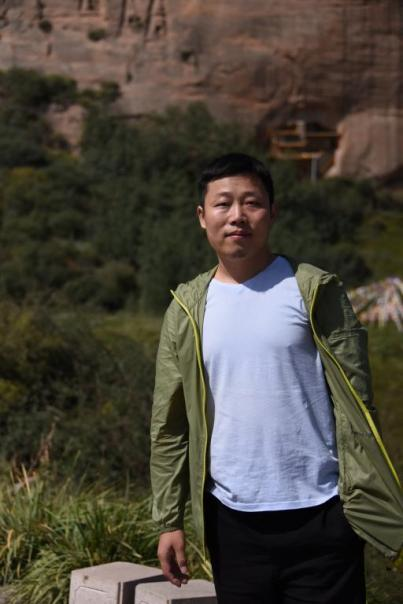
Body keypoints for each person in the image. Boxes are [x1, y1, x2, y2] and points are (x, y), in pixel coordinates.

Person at [150, 153, 403, 603]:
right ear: (202, 216)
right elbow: (169, 425)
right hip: (232, 521)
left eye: (252, 202)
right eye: (223, 203)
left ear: (273, 211)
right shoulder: (187, 308)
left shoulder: (314, 290)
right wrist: (169, 520)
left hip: (324, 514)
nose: (237, 215)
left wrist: (364, 503)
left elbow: (359, 405)